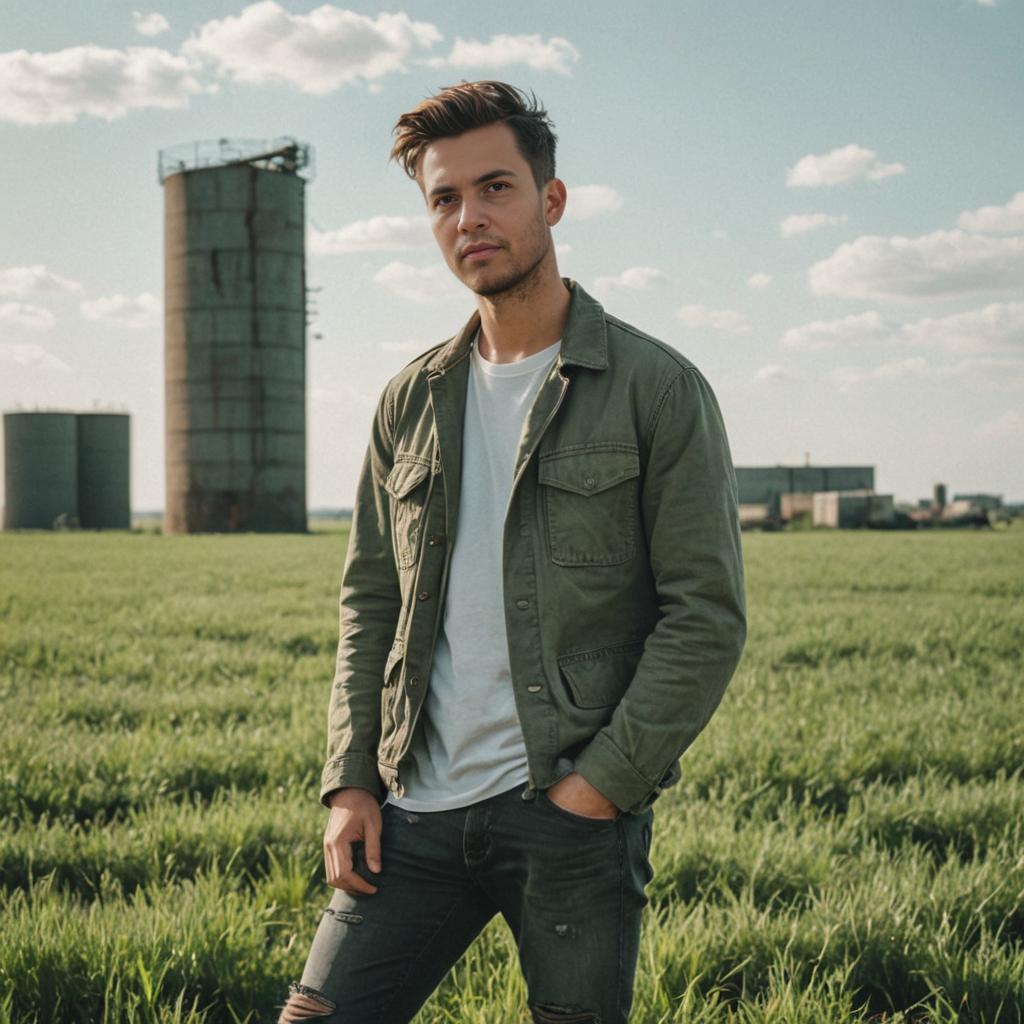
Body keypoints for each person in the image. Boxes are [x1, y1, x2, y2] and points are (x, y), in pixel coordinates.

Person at [279, 81, 746, 1024]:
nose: (469, 218)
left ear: (552, 200)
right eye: (444, 199)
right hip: (411, 813)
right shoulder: (408, 401)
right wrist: (350, 780)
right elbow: (371, 600)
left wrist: (598, 791)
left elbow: (706, 615)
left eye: (494, 188)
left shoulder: (656, 390)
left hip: (567, 813)